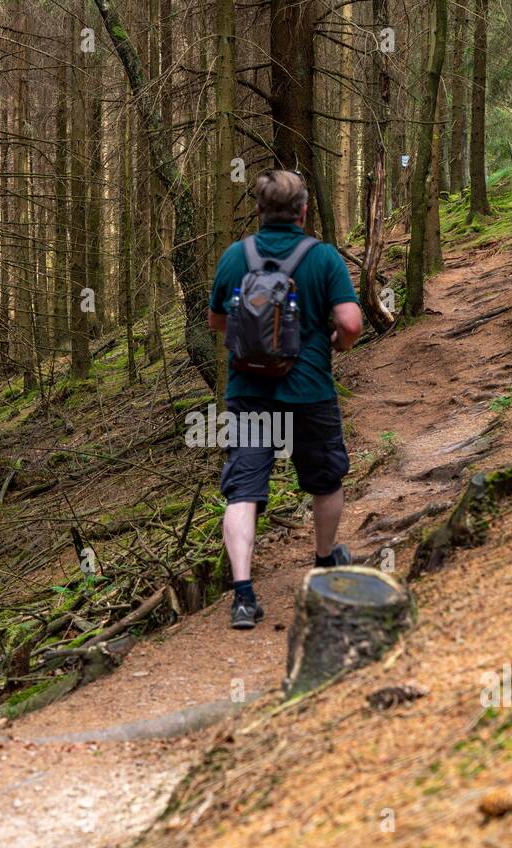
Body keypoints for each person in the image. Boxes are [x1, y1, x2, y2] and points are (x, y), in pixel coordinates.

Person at [207, 170, 365, 629]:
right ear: (303, 210)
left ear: (258, 210)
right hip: (309, 391)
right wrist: (336, 343)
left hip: (250, 394)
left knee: (243, 491)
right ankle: (322, 563)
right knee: (325, 479)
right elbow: (351, 324)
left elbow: (217, 321)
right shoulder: (324, 258)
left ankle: (242, 595)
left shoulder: (236, 256)